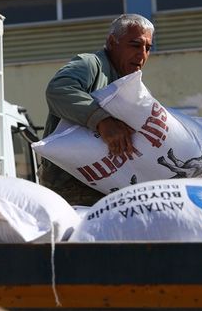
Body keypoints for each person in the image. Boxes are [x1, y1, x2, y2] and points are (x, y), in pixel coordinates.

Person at [38, 13, 155, 206]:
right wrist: (102, 121)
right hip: (71, 185)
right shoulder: (90, 64)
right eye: (135, 45)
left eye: (148, 48)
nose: (142, 54)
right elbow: (59, 90)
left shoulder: (130, 84)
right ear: (112, 42)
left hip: (109, 184)